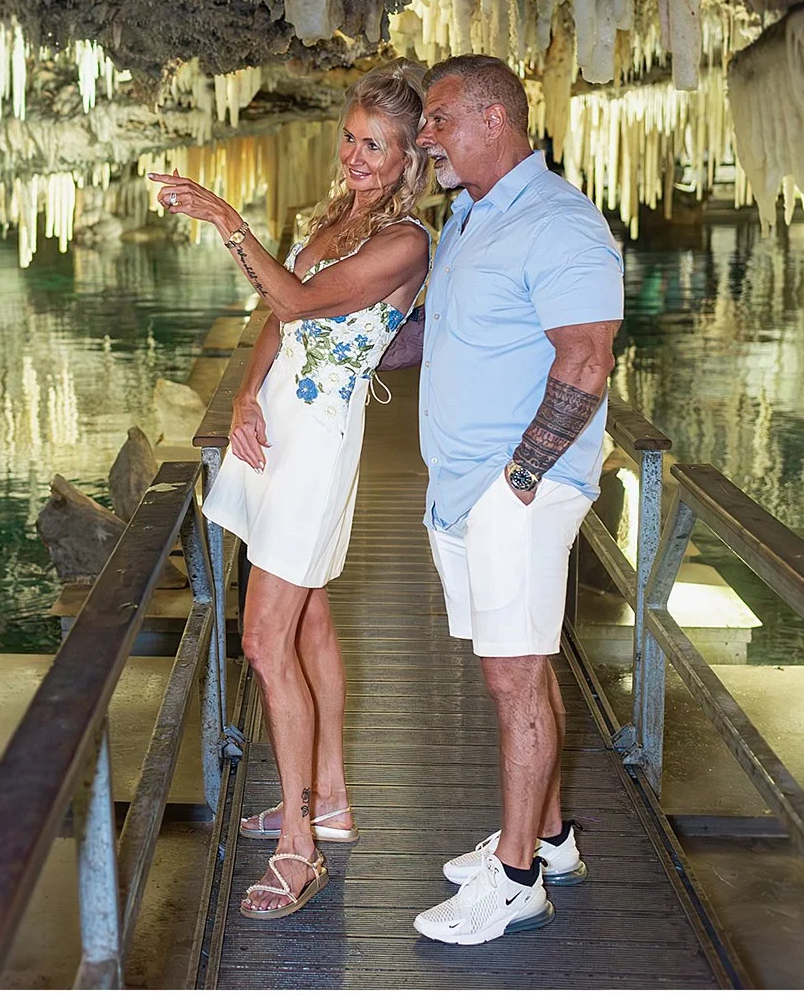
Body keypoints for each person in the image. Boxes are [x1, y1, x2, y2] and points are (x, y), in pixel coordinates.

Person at [149, 62, 432, 921]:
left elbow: (302, 300)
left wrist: (231, 224)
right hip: (271, 429)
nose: (356, 155)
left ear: (410, 157)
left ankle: (299, 849)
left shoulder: (407, 240)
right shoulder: (336, 216)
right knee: (306, 621)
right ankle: (331, 798)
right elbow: (277, 322)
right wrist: (243, 393)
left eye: (375, 146)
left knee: (265, 639)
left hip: (317, 449)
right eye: (350, 137)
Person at [408, 55, 624, 946]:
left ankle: (516, 877)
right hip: (465, 489)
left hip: (516, 491)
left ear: (495, 119)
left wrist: (523, 478)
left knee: (516, 677)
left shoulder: (559, 223)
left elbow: (586, 356)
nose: (426, 136)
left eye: (438, 119)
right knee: (523, 665)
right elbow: (441, 334)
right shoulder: (468, 218)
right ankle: (554, 837)